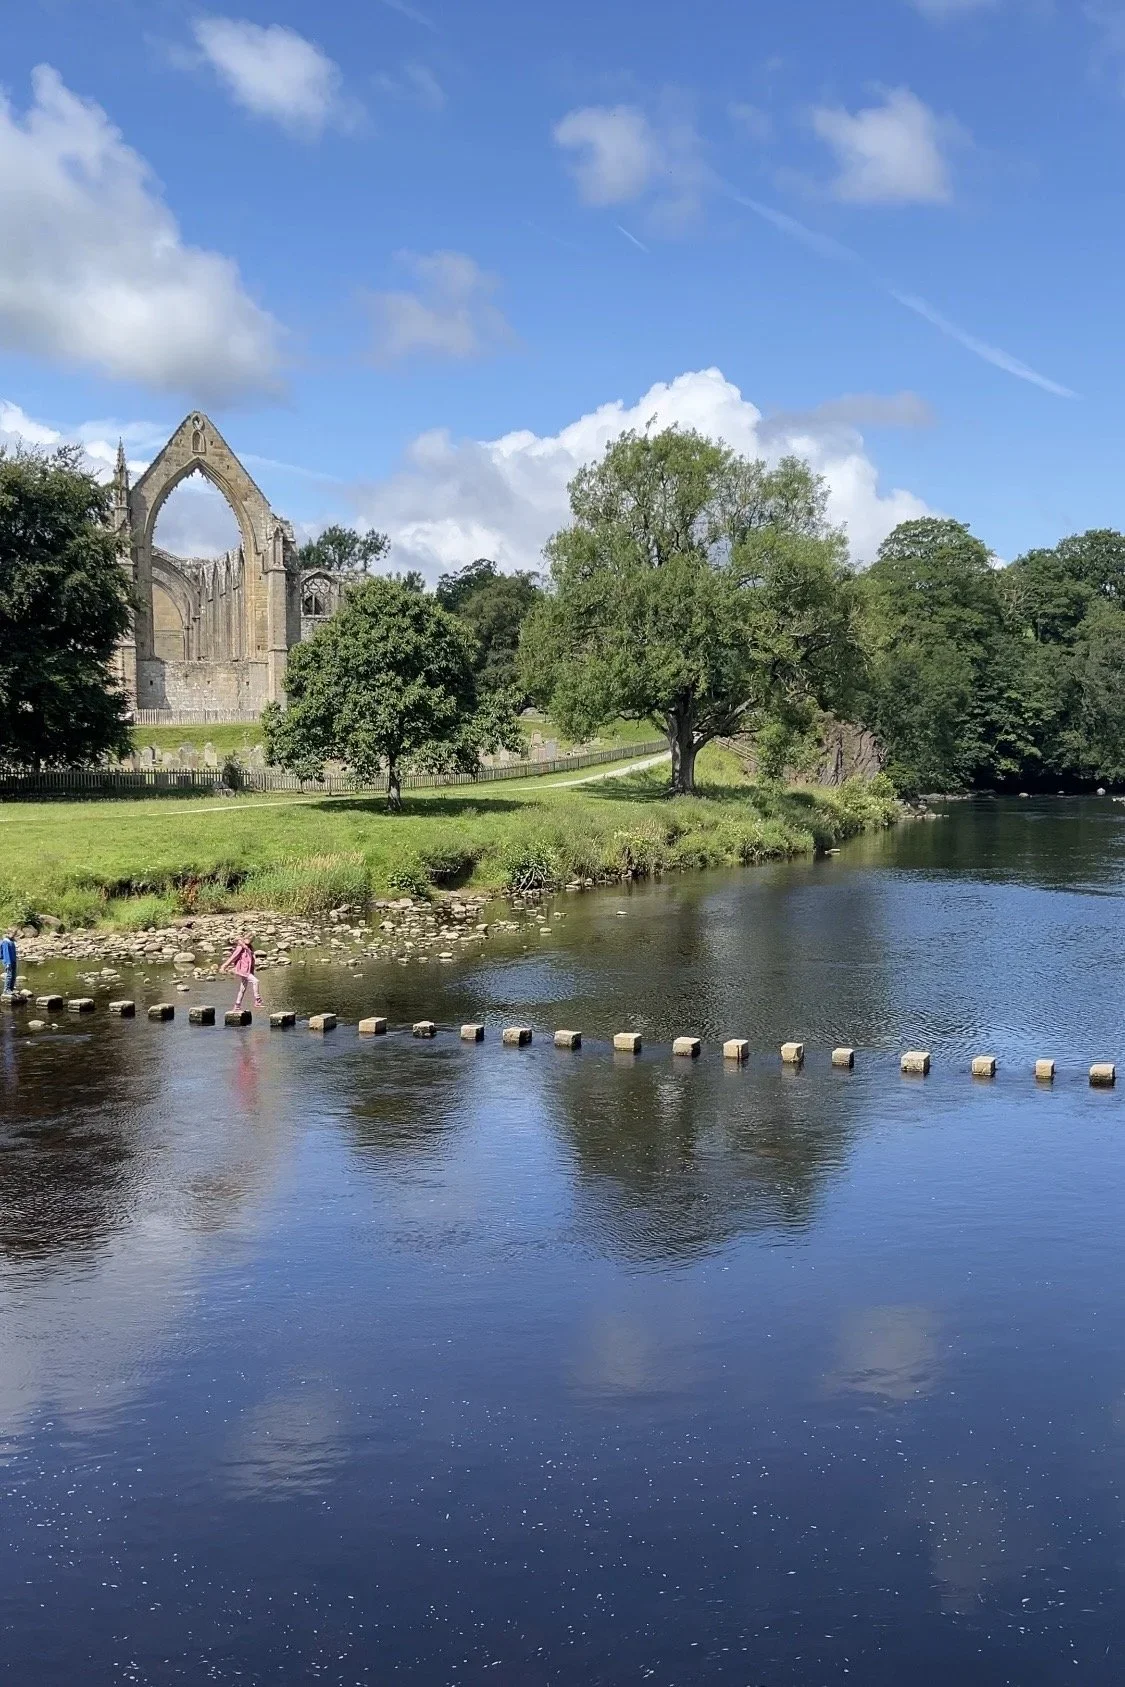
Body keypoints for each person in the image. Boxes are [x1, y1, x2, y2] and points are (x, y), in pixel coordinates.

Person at [219, 931, 263, 1010]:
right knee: (255, 981)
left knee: (242, 989)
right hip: (243, 970)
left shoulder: (249, 947)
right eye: (249, 938)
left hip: (248, 970)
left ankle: (237, 1006)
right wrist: (224, 966)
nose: (250, 940)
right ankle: (257, 1000)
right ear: (245, 938)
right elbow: (233, 957)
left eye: (251, 939)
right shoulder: (240, 947)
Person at [0, 928, 17, 995]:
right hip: (8, 961)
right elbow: (6, 953)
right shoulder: (6, 941)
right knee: (9, 975)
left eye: (15, 934)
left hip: (13, 960)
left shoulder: (11, 941)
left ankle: (11, 989)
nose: (14, 935)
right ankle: (6, 990)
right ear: (8, 933)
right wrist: (8, 963)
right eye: (13, 934)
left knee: (13, 975)